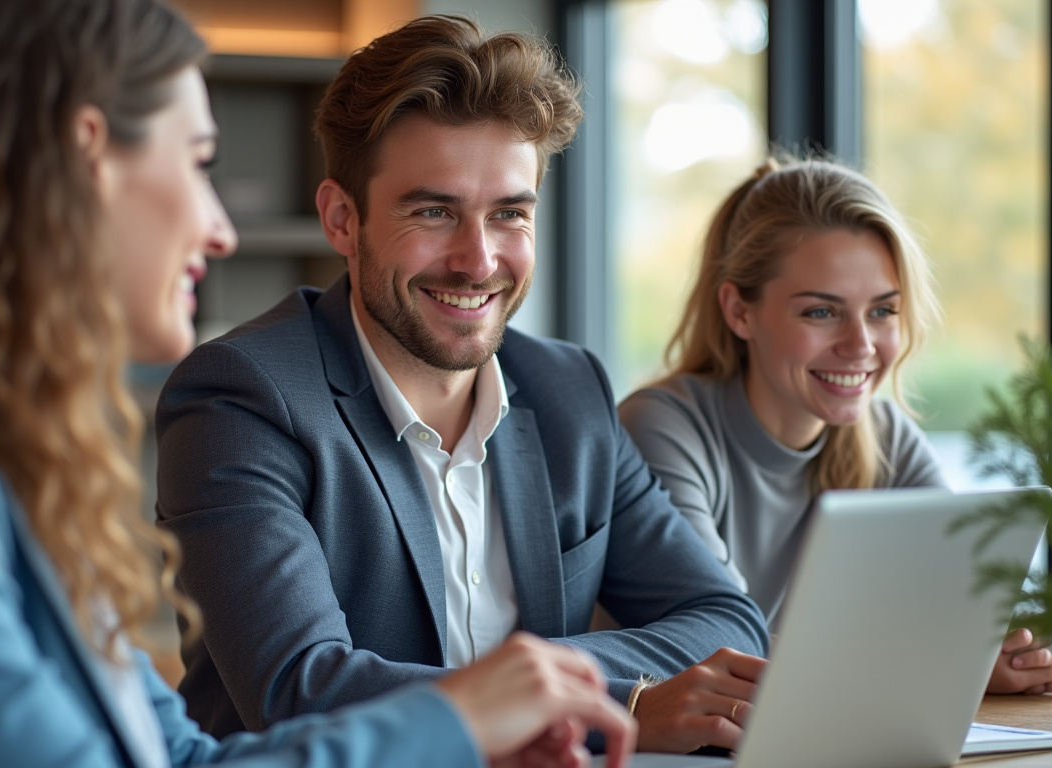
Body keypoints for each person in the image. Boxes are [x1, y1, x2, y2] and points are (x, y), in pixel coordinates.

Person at [0, 1, 640, 766]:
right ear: (86, 160)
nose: (220, 228)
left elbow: (178, 757)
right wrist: (460, 718)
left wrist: (481, 721)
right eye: (197, 162)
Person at [156, 14, 770, 756]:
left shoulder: (568, 390)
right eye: (434, 212)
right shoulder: (240, 398)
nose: (478, 261)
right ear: (342, 220)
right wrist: (618, 699)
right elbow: (300, 690)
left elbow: (727, 622)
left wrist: (551, 692)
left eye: (509, 214)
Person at [617, 156, 1052, 696]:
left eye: (882, 311)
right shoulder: (662, 427)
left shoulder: (886, 437)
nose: (861, 346)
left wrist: (1004, 649)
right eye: (821, 312)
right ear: (739, 311)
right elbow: (723, 643)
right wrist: (941, 659)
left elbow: (964, 613)